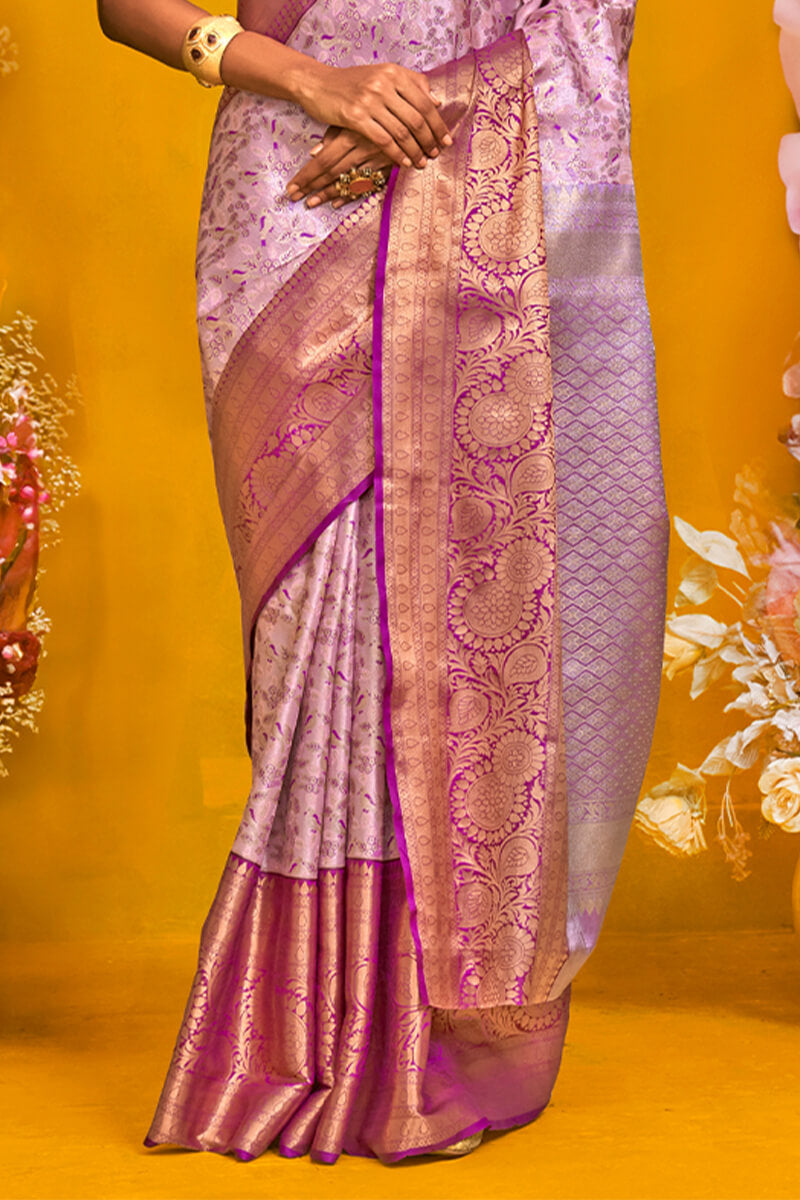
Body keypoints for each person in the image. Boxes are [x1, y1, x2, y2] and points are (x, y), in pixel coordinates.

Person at [97, 0, 669, 1165]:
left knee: (458, 613)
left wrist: (432, 116)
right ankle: (305, 1030)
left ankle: (436, 1030)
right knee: (322, 622)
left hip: (477, 201)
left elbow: (583, 26)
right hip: (294, 193)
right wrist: (309, 80)